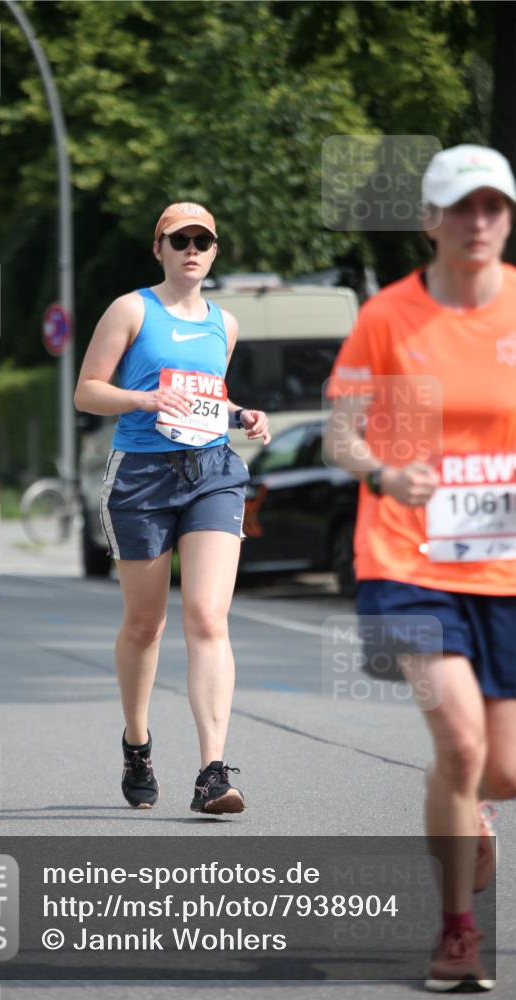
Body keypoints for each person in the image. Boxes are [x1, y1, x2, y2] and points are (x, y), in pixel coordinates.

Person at [324, 144, 516, 992]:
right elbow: (339, 432)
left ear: (506, 218)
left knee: (500, 770)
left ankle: (469, 800)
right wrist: (383, 472)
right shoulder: (387, 316)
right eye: (460, 208)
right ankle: (455, 933)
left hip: (503, 564)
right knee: (458, 737)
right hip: (404, 556)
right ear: (429, 221)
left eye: (493, 207)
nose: (477, 223)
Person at [74, 202, 270, 815]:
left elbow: (207, 393)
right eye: (179, 239)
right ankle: (137, 742)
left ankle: (213, 771)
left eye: (202, 240)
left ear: (214, 251)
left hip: (213, 473)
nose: (191, 248)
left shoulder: (225, 324)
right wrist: (142, 398)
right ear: (158, 247)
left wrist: (241, 414)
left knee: (209, 618)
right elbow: (88, 391)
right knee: (145, 624)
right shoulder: (132, 309)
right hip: (141, 479)